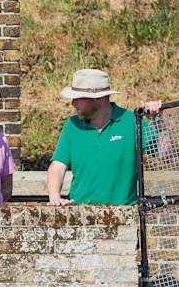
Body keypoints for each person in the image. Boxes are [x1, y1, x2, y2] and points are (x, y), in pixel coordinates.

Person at [47, 69, 172, 205]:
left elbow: (166, 155)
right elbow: (58, 166)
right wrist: (54, 198)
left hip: (123, 217)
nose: (72, 103)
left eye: (78, 98)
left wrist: (158, 121)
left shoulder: (132, 121)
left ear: (98, 98)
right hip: (78, 214)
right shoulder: (72, 125)